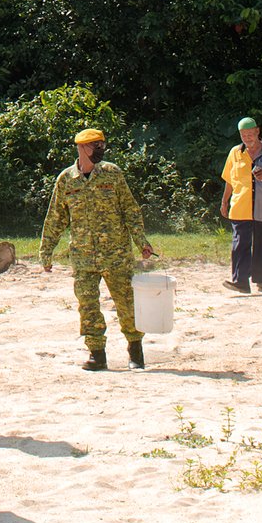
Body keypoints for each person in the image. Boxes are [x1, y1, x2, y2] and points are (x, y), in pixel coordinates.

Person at [39, 127, 156, 371]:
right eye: (95, 146)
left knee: (126, 303)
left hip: (116, 254)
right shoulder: (66, 180)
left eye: (102, 145)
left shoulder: (112, 174)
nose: (100, 150)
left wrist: (141, 241)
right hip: (83, 257)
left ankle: (135, 350)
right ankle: (96, 354)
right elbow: (56, 218)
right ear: (81, 148)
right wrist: (46, 250)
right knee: (88, 305)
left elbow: (130, 210)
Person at [219, 117, 262, 293]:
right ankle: (240, 281)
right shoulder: (235, 152)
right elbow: (229, 180)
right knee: (240, 243)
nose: (247, 138)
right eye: (243, 135)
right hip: (240, 205)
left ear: (257, 131)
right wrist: (224, 201)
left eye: (250, 134)